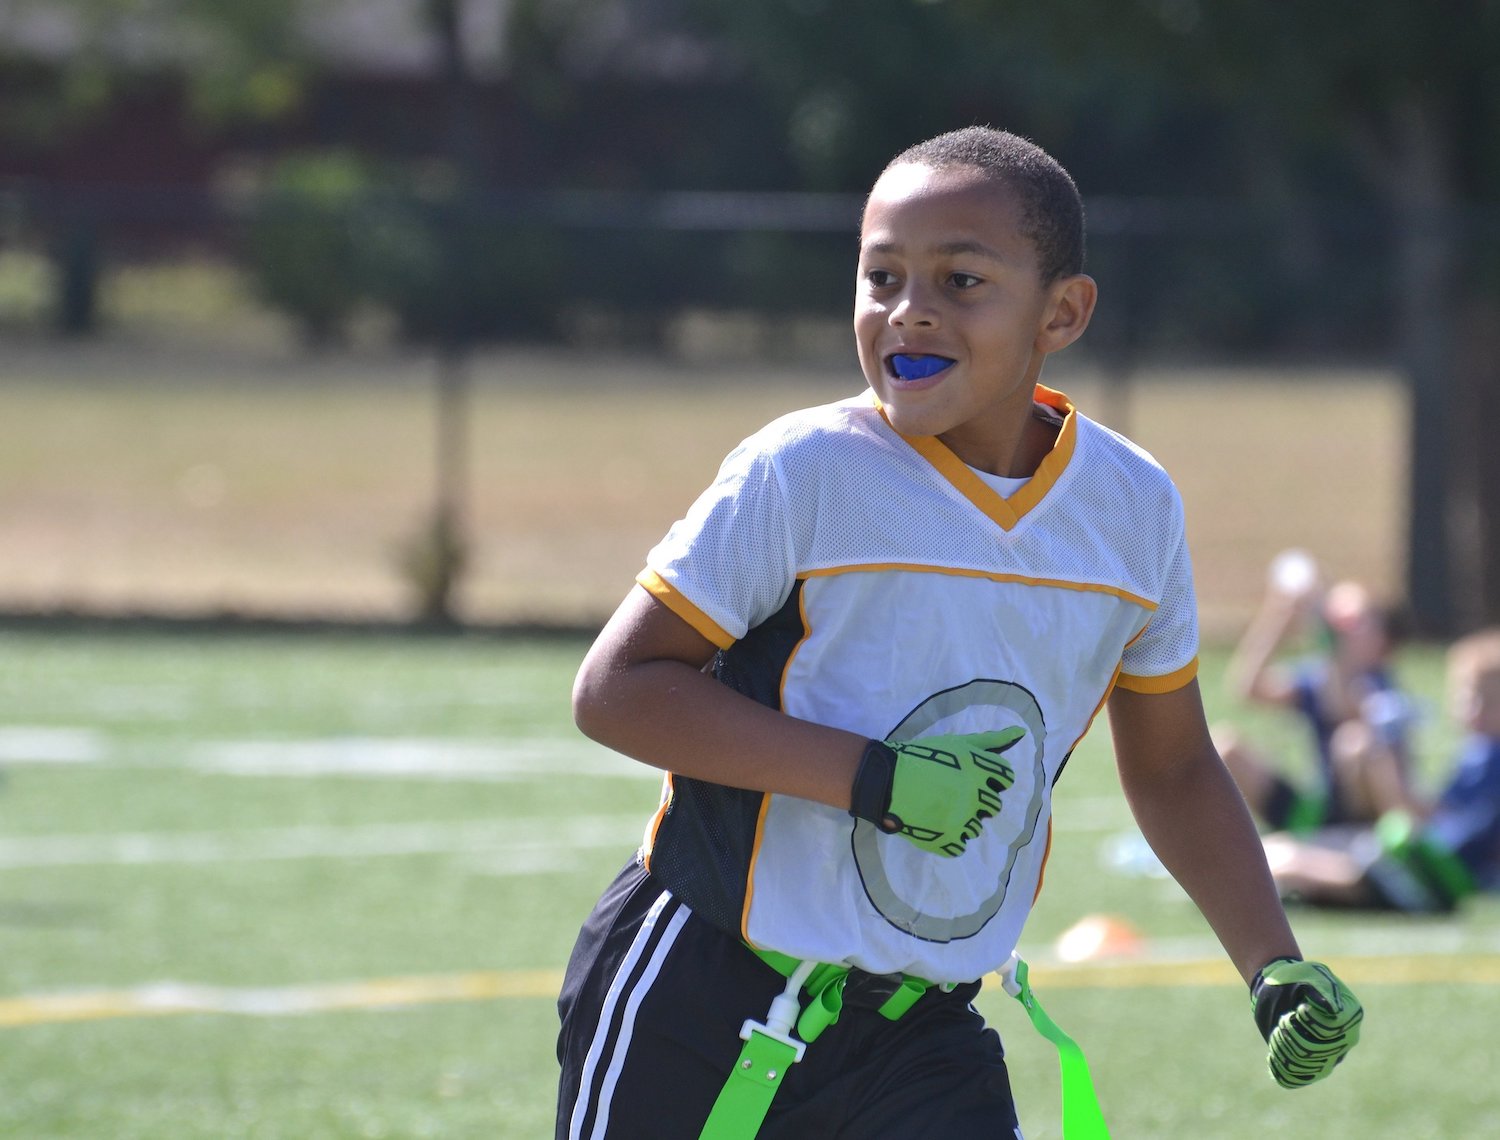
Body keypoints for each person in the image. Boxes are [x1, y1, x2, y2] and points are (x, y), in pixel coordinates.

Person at [558, 126, 1362, 1139]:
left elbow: (1174, 769)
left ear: (1062, 312)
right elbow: (619, 688)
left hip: (921, 1032)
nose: (910, 309)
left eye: (961, 279)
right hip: (702, 991)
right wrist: (873, 778)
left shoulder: (1133, 509)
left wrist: (1269, 960)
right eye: (881, 275)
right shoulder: (803, 470)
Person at [1265, 627, 1500, 913]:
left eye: (1480, 698)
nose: (1466, 707)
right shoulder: (1479, 753)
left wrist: (1386, 758)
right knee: (1282, 854)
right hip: (1427, 870)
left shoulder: (1488, 755)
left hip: (1429, 877)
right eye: (1464, 696)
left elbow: (1435, 825)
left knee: (1285, 861)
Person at [1214, 556, 1420, 834]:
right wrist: (1279, 618)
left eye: (1355, 621)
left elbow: (1349, 708)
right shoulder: (1318, 676)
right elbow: (1248, 688)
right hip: (1321, 809)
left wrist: (1329, 643)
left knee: (1354, 744)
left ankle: (1378, 843)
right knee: (1226, 747)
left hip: (1363, 816)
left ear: (1382, 641)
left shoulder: (1380, 682)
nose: (1340, 626)